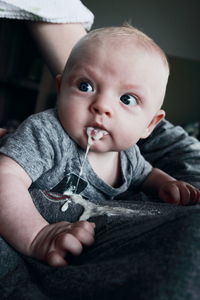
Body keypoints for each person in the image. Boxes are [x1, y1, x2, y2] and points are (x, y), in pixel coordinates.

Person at [0, 25, 200, 269]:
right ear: (61, 88)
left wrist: (168, 184)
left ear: (149, 124)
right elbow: (5, 177)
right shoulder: (46, 132)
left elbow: (146, 174)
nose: (102, 105)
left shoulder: (128, 155)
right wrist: (37, 235)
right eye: (85, 86)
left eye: (127, 99)